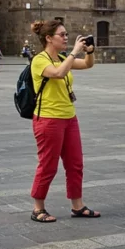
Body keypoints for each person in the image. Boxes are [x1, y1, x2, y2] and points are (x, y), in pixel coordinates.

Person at [28, 19, 99, 222]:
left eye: (67, 34)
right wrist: (74, 52)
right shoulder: (39, 60)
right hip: (48, 119)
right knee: (48, 165)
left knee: (75, 163)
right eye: (62, 35)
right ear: (49, 38)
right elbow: (58, 74)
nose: (66, 38)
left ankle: (78, 205)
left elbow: (86, 64)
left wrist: (89, 52)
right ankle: (38, 207)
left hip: (69, 117)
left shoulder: (61, 57)